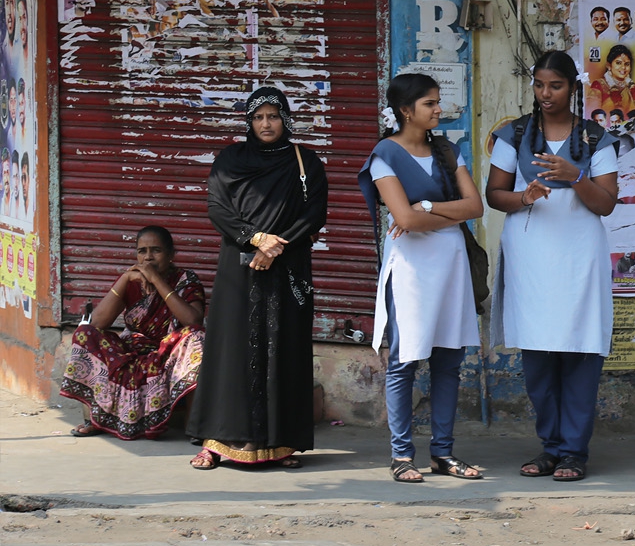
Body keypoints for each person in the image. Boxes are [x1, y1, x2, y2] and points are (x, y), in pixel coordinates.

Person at [487, 52, 621, 482]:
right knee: (539, 355)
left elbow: (606, 204)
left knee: (580, 351)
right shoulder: (515, 134)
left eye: (556, 86)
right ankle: (551, 447)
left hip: (580, 257)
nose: (546, 94)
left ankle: (574, 452)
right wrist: (524, 197)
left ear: (573, 88)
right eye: (540, 85)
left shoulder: (596, 138)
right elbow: (494, 194)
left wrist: (575, 175)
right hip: (532, 258)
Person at [189, 87, 328, 469]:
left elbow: (313, 214)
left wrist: (273, 247)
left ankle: (280, 443)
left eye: (273, 116)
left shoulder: (307, 162)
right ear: (249, 121)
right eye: (258, 117)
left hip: (288, 267)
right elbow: (217, 207)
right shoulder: (231, 159)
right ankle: (216, 442)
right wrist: (255, 239)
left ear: (285, 119)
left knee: (284, 348)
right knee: (231, 351)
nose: (266, 124)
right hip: (238, 265)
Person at [359, 74, 485, 484]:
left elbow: (476, 207)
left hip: (451, 265)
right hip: (411, 268)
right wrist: (442, 213)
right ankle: (401, 456)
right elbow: (405, 219)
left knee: (449, 360)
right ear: (405, 111)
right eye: (429, 104)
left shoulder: (448, 151)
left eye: (437, 102)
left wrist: (429, 204)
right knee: (404, 360)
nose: (438, 110)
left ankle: (443, 454)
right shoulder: (385, 155)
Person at [61, 226, 204, 440]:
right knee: (85, 334)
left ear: (171, 254)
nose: (148, 258)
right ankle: (96, 419)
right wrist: (125, 279)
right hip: (134, 349)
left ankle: (194, 426)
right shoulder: (133, 280)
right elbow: (98, 322)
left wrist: (157, 280)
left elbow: (193, 320)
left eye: (156, 250)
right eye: (142, 251)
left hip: (171, 352)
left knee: (197, 337)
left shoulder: (186, 279)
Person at [591, 44, 635, 116]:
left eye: (627, 64)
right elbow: (591, 114)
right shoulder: (599, 85)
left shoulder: (632, 88)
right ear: (609, 65)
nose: (623, 67)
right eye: (618, 63)